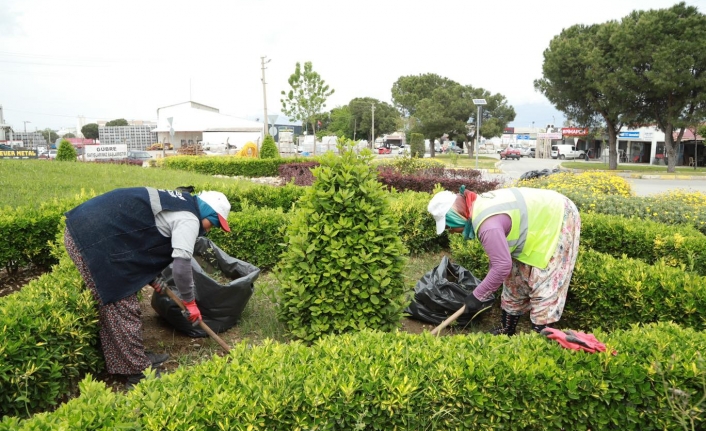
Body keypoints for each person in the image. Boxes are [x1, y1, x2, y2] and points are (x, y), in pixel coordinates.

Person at [63, 187, 231, 387]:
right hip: (91, 239)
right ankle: (137, 373)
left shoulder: (181, 203)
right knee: (121, 305)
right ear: (207, 212)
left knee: (116, 307)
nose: (210, 229)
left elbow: (142, 237)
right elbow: (181, 266)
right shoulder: (189, 218)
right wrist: (190, 301)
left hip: (92, 232)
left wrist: (152, 277)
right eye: (212, 223)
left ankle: (128, 361)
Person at [427, 186, 581, 336]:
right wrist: (484, 289)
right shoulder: (477, 208)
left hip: (557, 217)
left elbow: (501, 267)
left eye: (448, 226)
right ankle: (507, 328)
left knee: (545, 281)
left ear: (456, 216)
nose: (451, 232)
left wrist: (477, 297)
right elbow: (500, 263)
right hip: (537, 224)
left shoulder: (487, 225)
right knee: (514, 277)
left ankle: (539, 340)